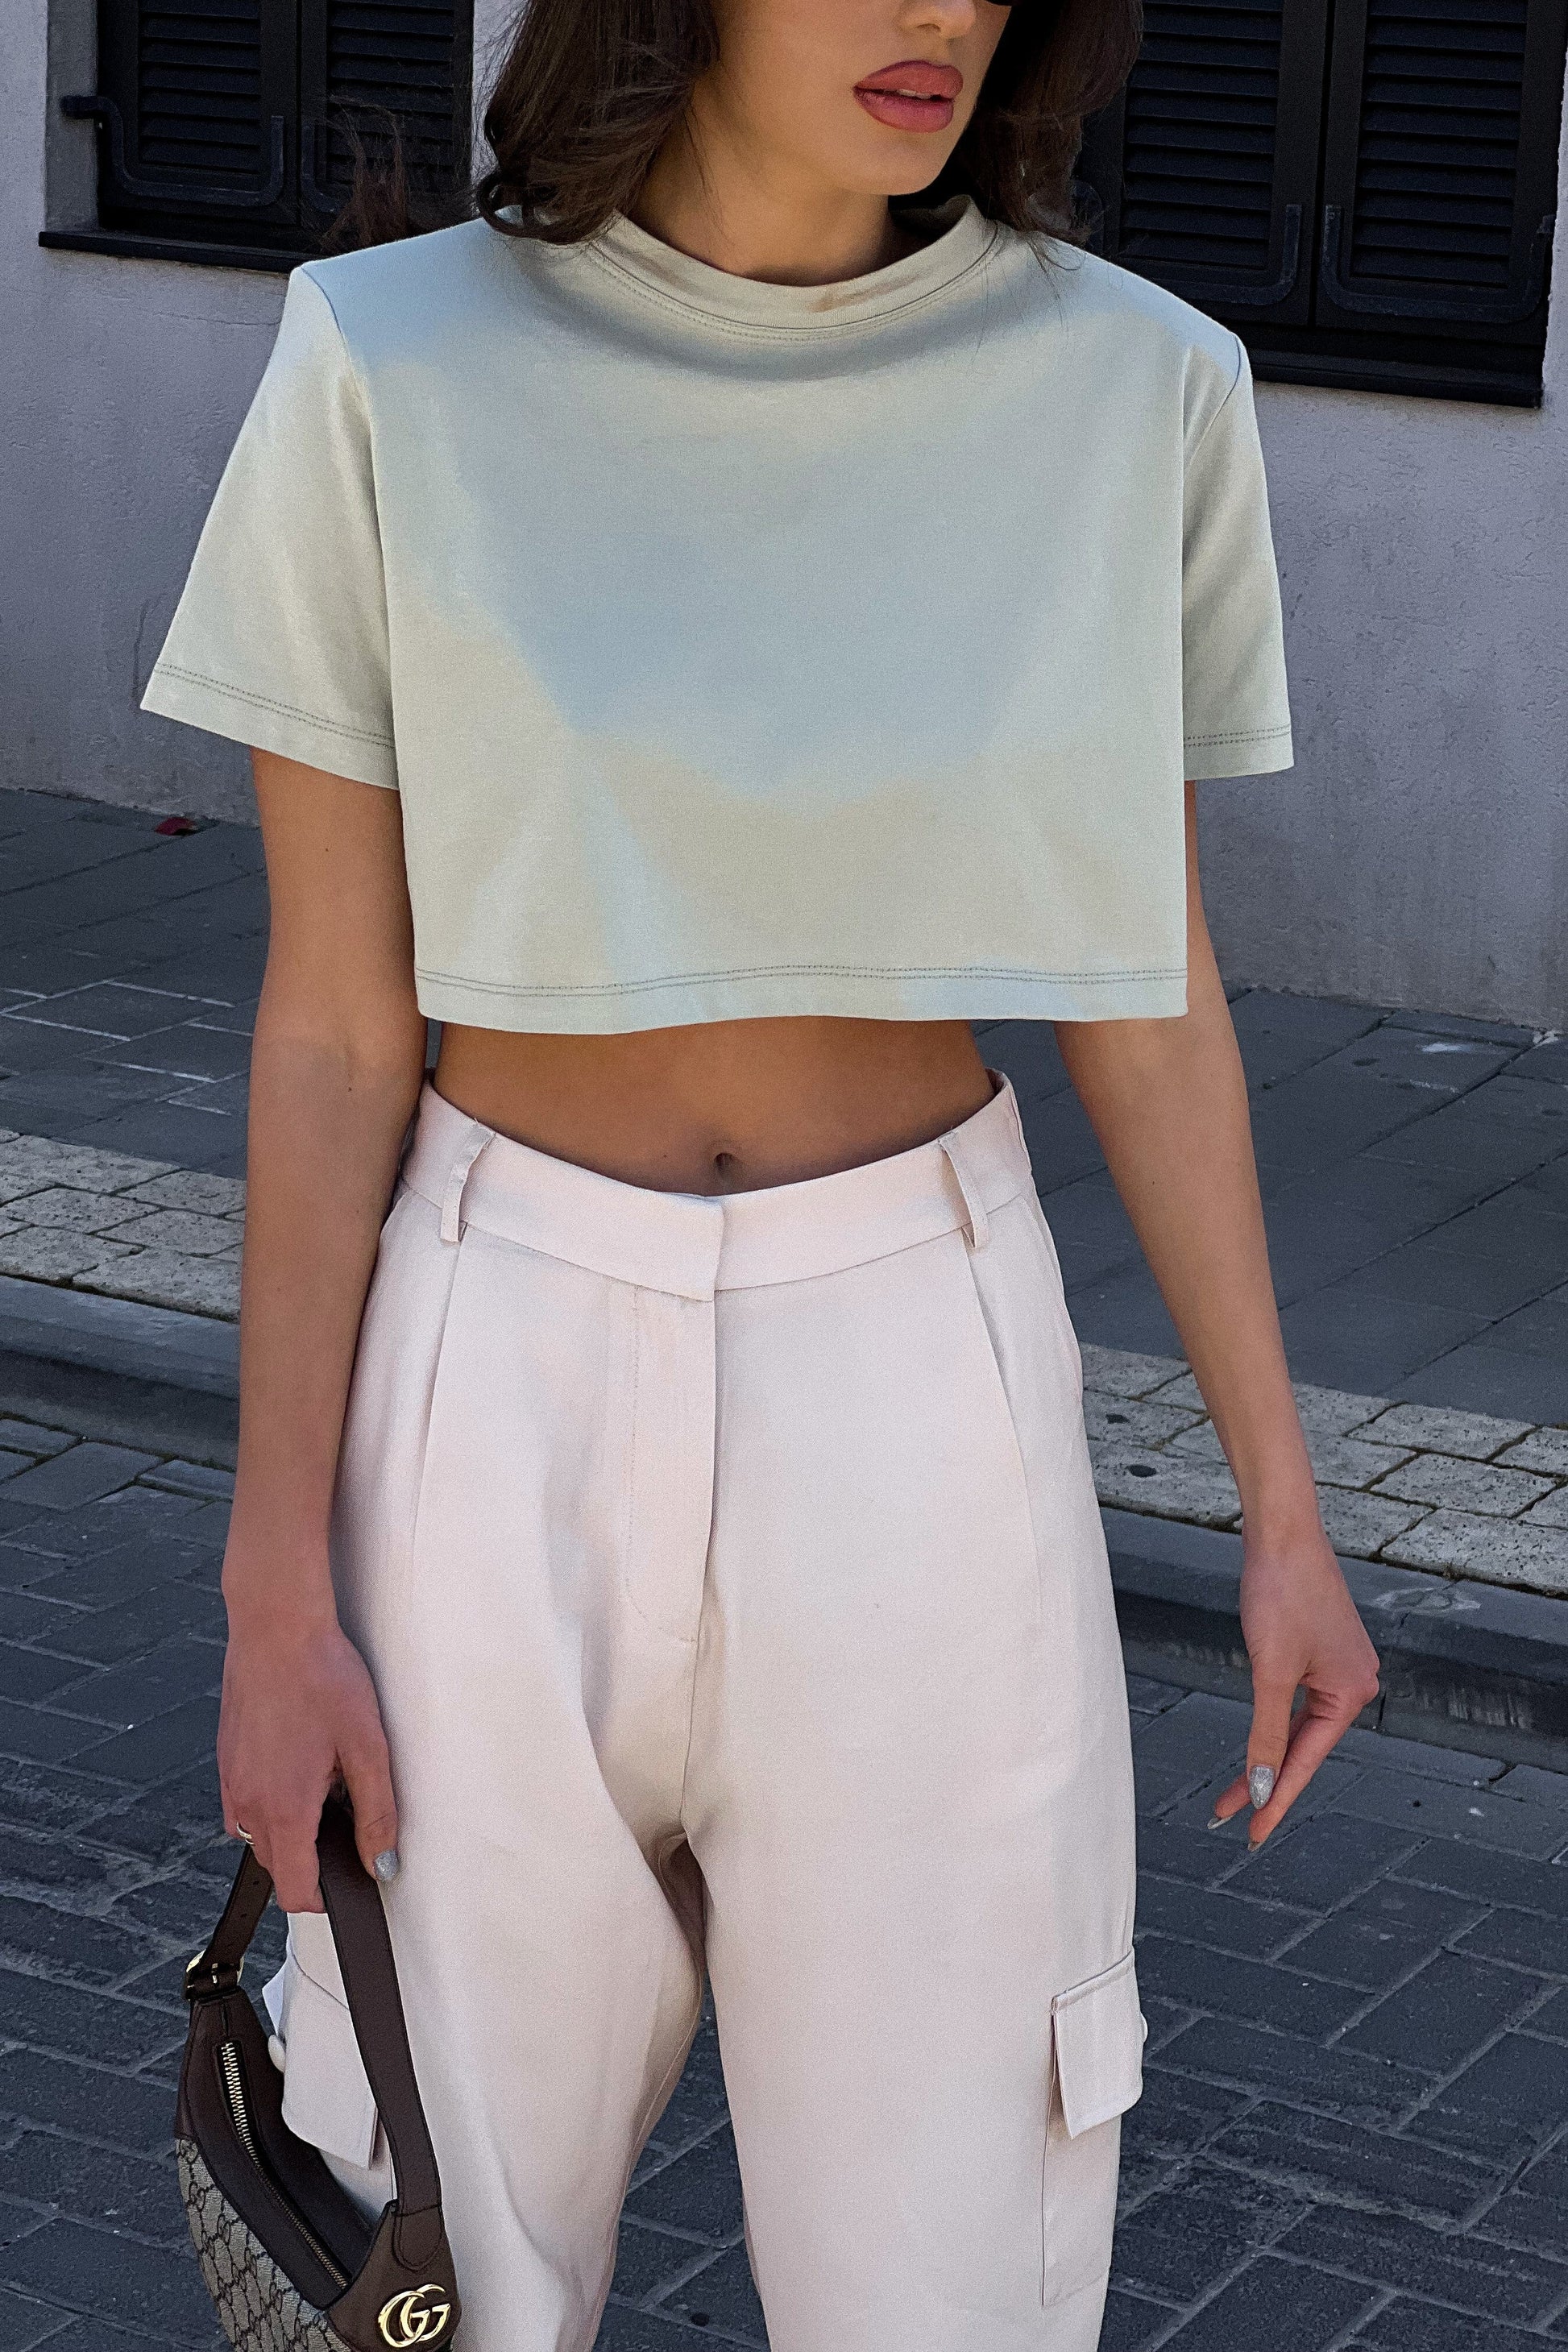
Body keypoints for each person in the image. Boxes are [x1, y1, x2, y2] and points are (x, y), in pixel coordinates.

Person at [142, 2, 1382, 2345]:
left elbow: (1146, 987)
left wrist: (1284, 1511)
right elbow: (330, 1028)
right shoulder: (389, 362)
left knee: (954, 2268)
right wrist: (269, 1589)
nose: (939, 13)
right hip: (490, 1358)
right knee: (422, 2252)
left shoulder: (1132, 394)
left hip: (922, 1371)